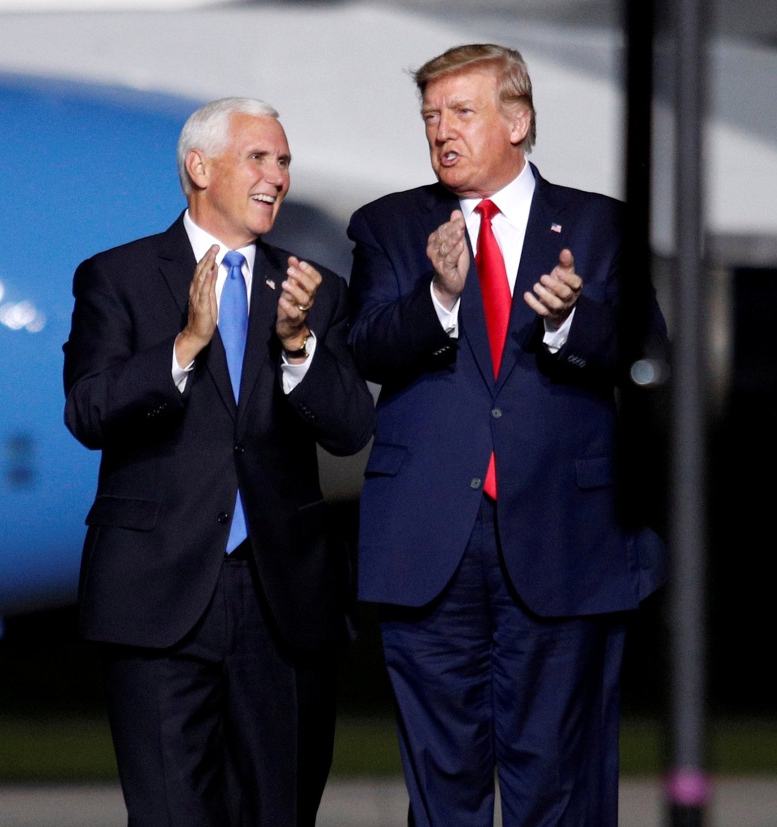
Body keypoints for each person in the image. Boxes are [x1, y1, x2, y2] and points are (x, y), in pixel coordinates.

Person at [347, 44, 668, 826]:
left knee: (558, 778)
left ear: (518, 121)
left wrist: (570, 321)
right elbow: (365, 347)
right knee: (443, 776)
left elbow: (649, 358)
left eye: (462, 112)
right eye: (430, 116)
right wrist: (441, 299)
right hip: (430, 539)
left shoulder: (600, 226)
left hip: (567, 535)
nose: (441, 132)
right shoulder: (391, 225)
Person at [63, 97, 374, 827]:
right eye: (259, 158)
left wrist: (299, 345)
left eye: (285, 161)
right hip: (157, 596)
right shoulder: (117, 277)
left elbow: (352, 427)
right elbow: (88, 410)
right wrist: (183, 347)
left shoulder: (312, 290)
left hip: (283, 602)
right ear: (198, 168)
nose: (277, 177)